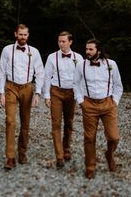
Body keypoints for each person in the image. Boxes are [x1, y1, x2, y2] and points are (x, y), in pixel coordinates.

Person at [73, 39, 123, 179]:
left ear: (98, 51)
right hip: (89, 104)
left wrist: (115, 101)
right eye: (86, 49)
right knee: (89, 137)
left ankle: (109, 154)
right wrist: (81, 101)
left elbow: (118, 85)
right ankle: (90, 166)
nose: (87, 52)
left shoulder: (111, 64)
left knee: (114, 137)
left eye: (90, 49)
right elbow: (75, 84)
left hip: (108, 104)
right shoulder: (81, 65)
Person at [0, 24, 45, 170]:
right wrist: (1, 92)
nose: (23, 37)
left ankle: (22, 152)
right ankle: (10, 157)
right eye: (20, 34)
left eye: (25, 35)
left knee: (25, 122)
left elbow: (40, 73)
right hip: (11, 87)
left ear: (28, 35)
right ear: (15, 34)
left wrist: (38, 93)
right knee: (10, 121)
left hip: (27, 87)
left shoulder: (34, 52)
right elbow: (1, 71)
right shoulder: (7, 50)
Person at [44, 31, 83, 168]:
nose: (61, 44)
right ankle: (59, 155)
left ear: (70, 42)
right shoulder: (52, 57)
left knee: (69, 122)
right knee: (56, 123)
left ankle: (66, 148)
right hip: (56, 92)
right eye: (59, 41)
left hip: (71, 93)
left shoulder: (78, 58)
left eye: (63, 41)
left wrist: (80, 97)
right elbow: (47, 77)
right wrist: (47, 96)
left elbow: (81, 79)